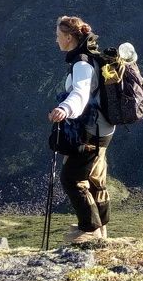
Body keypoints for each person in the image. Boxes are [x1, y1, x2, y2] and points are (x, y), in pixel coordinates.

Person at [48, 15, 116, 243]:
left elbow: (81, 93)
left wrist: (64, 109)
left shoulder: (82, 63)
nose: (56, 39)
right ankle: (101, 230)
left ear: (68, 37)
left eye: (58, 35)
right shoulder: (92, 56)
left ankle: (89, 229)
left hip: (91, 131)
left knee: (72, 179)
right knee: (96, 179)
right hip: (103, 129)